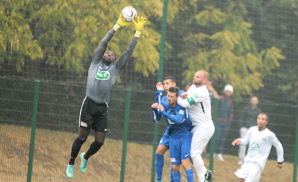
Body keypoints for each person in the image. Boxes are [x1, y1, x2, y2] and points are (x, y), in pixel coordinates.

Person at [65, 15, 146, 178]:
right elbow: (103, 43)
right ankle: (71, 162)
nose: (110, 54)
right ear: (102, 56)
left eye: (112, 54)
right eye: (108, 53)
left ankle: (85, 157)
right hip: (88, 104)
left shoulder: (115, 69)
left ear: (115, 60)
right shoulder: (95, 62)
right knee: (81, 137)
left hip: (102, 108)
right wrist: (116, 26)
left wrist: (137, 33)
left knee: (100, 141)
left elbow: (129, 52)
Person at [178, 70, 214, 182]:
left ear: (204, 80)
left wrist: (176, 97)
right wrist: (182, 95)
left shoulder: (202, 92)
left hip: (204, 127)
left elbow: (184, 103)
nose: (195, 78)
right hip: (197, 127)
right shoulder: (193, 87)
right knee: (191, 152)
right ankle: (205, 173)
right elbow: (185, 97)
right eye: (194, 76)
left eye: (198, 77)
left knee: (195, 152)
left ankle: (202, 179)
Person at [152, 86, 194, 182]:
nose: (169, 98)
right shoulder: (165, 104)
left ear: (177, 97)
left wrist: (164, 113)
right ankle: (159, 179)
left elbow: (178, 120)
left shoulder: (181, 106)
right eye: (168, 96)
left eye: (172, 97)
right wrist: (154, 109)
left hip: (184, 136)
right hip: (173, 136)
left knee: (185, 163)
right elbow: (157, 118)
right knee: (175, 166)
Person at [232, 113, 284, 182]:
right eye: (259, 118)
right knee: (240, 179)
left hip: (258, 164)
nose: (260, 121)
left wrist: (280, 161)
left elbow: (279, 146)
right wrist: (240, 140)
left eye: (263, 119)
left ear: (266, 122)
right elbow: (246, 140)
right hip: (248, 161)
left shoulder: (270, 135)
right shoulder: (252, 130)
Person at [154, 76, 184, 182]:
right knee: (158, 152)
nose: (165, 86)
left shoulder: (182, 95)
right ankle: (158, 180)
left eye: (167, 83)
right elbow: (158, 115)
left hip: (181, 133)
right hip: (170, 130)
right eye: (164, 84)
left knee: (175, 164)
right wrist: (159, 92)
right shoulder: (164, 99)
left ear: (174, 85)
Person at [238, 96, 262, 165]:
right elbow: (241, 118)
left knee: (254, 145)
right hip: (245, 128)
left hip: (254, 130)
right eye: (252, 100)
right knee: (243, 144)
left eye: (255, 100)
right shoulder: (245, 109)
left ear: (257, 102)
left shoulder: (259, 111)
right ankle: (241, 159)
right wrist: (241, 127)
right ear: (250, 101)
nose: (254, 102)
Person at [214, 84, 234, 161]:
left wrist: (229, 123)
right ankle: (214, 153)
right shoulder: (220, 98)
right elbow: (215, 109)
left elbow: (231, 113)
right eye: (227, 91)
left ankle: (219, 153)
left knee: (222, 138)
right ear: (225, 91)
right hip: (218, 121)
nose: (228, 92)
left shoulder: (231, 102)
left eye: (230, 91)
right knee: (217, 137)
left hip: (226, 123)